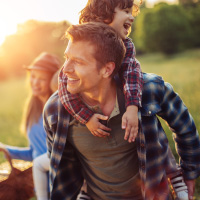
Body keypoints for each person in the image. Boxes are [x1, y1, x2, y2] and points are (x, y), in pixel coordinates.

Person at [43, 22, 200, 200]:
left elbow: (185, 128)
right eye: (66, 58)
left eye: (78, 62)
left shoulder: (149, 89)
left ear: (107, 69)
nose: (66, 69)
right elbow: (60, 165)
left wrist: (190, 173)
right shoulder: (55, 111)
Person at [58, 0, 143, 143]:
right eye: (126, 11)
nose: (132, 17)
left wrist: (132, 108)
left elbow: (131, 74)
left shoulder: (126, 45)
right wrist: (87, 117)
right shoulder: (81, 42)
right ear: (105, 14)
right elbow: (65, 88)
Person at [0, 52, 60, 200]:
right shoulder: (32, 110)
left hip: (59, 184)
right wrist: (5, 148)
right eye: (33, 77)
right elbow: (35, 153)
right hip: (41, 187)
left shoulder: (57, 110)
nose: (35, 82)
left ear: (52, 81)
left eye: (42, 79)